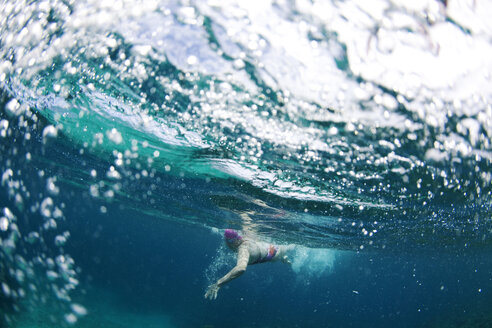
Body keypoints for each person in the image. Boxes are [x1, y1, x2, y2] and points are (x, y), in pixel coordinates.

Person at [204, 229, 295, 300]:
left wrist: (218, 284)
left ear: (234, 241)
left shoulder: (243, 248)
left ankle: (284, 255)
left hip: (274, 255)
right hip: (272, 249)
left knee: (290, 247)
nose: (226, 243)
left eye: (228, 241)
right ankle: (283, 257)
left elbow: (241, 268)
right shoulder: (245, 238)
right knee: (281, 251)